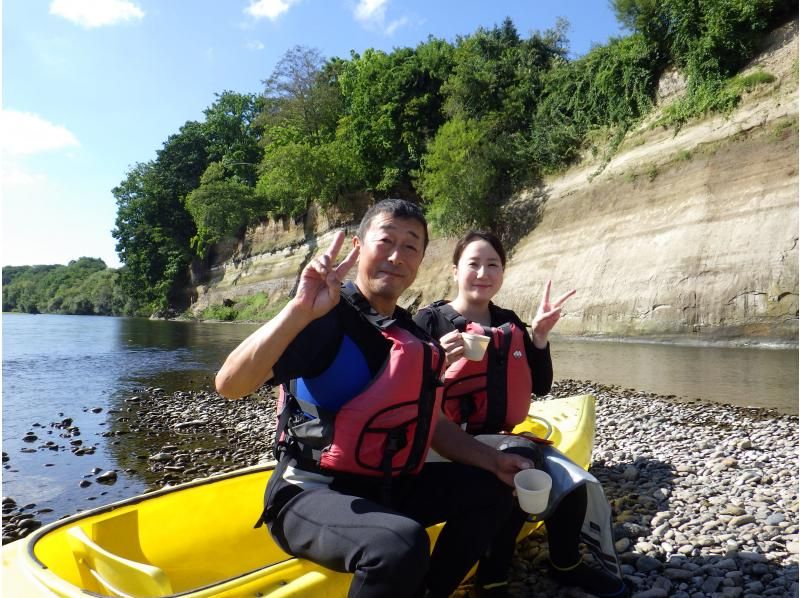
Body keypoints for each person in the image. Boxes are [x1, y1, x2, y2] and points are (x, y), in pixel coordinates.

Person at [216, 201, 537, 598]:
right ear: (359, 245)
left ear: (420, 259)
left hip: (385, 484)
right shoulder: (324, 317)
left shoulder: (412, 332)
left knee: (490, 492)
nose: (396, 255)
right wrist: (298, 311)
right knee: (399, 544)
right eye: (385, 240)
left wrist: (495, 461)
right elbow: (230, 384)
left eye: (410, 246)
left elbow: (435, 424)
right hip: (309, 492)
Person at [413, 230, 629, 598]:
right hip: (443, 442)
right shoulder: (428, 322)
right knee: (519, 467)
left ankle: (565, 563)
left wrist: (540, 337)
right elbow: (405, 395)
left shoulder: (509, 321)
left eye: (492, 265)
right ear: (454, 271)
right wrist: (434, 360)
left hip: (501, 438)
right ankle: (492, 574)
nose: (483, 273)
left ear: (502, 272)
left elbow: (541, 386)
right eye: (473, 264)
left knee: (572, 484)